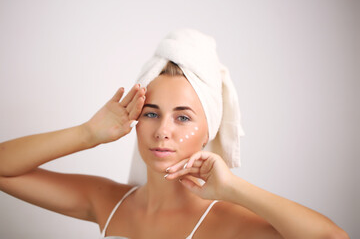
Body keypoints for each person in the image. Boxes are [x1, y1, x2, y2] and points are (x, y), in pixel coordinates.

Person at [0, 29, 349, 239]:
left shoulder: (229, 222)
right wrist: (88, 133)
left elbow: (333, 237)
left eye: (183, 118)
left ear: (207, 131)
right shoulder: (108, 201)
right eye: (151, 113)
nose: (162, 131)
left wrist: (233, 189)